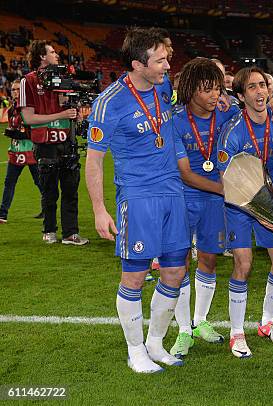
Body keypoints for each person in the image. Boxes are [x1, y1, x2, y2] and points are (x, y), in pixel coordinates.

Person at [85, 27, 190, 373]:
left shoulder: (164, 87)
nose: (166, 66)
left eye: (167, 58)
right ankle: (135, 351)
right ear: (137, 64)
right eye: (160, 60)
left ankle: (155, 343)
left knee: (175, 271)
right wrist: (100, 210)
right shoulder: (108, 103)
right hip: (138, 196)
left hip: (173, 192)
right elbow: (95, 161)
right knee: (134, 275)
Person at [168, 57, 240, 358]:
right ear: (191, 89)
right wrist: (225, 188)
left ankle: (200, 321)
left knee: (209, 259)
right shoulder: (176, 120)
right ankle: (184, 330)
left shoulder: (227, 114)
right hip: (185, 196)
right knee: (181, 261)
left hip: (215, 202)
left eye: (218, 89)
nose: (215, 96)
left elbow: (251, 114)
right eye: (208, 90)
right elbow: (185, 173)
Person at [217, 66, 273, 358]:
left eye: (263, 85)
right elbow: (228, 182)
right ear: (240, 95)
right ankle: (237, 334)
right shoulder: (233, 131)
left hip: (268, 202)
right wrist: (258, 212)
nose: (260, 92)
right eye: (252, 87)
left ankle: (267, 322)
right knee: (244, 265)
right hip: (239, 204)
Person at [20, 40, 88, 245]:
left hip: (67, 141)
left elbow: (69, 111)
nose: (57, 54)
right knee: (49, 192)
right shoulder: (28, 81)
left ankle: (70, 233)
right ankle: (49, 230)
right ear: (41, 56)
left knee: (70, 190)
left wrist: (74, 116)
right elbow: (28, 118)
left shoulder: (64, 80)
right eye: (51, 52)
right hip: (45, 143)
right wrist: (61, 114)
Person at [0, 79, 43, 223]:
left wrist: (15, 134)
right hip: (15, 151)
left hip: (31, 151)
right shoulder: (12, 108)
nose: (15, 92)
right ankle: (3, 214)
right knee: (9, 182)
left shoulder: (29, 108)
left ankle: (48, 209)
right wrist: (12, 133)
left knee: (39, 182)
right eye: (13, 89)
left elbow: (35, 131)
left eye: (18, 89)